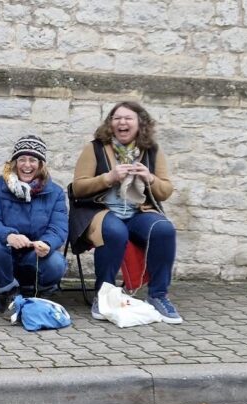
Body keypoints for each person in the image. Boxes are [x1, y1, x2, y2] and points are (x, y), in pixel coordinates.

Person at [71, 101, 180, 323]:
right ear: (110, 123)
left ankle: (158, 296)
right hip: (100, 211)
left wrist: (149, 178)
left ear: (140, 123)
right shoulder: (95, 148)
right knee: (114, 231)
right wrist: (108, 178)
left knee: (164, 229)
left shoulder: (152, 151)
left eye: (128, 118)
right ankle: (103, 296)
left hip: (138, 213)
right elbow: (77, 188)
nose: (122, 122)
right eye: (117, 118)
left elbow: (165, 191)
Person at [0, 136, 68, 305]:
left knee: (56, 263)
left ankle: (40, 293)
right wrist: (9, 236)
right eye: (22, 159)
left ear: (41, 164)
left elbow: (59, 227)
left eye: (33, 160)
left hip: (33, 255)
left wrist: (47, 243)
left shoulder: (54, 192)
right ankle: (9, 292)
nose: (27, 165)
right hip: (4, 254)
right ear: (14, 162)